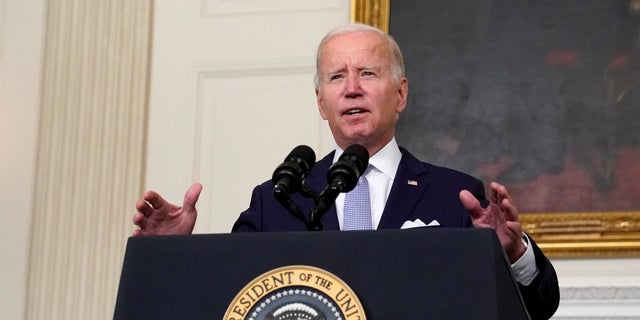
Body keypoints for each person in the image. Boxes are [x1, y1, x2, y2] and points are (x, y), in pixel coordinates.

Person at [133, 23, 560, 319]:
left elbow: (538, 308)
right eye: (337, 76)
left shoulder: (456, 194)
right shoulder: (277, 199)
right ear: (321, 102)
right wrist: (169, 255)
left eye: (367, 73)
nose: (352, 87)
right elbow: (229, 301)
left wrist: (513, 255)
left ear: (401, 92)